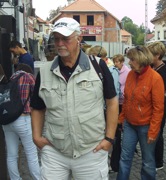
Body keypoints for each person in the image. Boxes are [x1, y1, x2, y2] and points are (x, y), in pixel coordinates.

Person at [30, 17, 118, 179]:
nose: (60, 43)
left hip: (91, 150)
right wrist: (36, 136)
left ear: (79, 38)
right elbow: (37, 107)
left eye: (65, 38)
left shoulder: (98, 66)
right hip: (55, 151)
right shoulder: (45, 71)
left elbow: (112, 102)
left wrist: (109, 138)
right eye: (56, 39)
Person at [117, 45, 165, 180]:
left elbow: (158, 108)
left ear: (141, 60)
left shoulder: (155, 78)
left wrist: (153, 131)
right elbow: (127, 99)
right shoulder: (131, 75)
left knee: (148, 161)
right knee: (124, 158)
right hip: (129, 124)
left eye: (132, 59)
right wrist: (121, 118)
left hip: (146, 126)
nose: (129, 63)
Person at [2, 63, 40, 180]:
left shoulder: (11, 80)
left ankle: (15, 178)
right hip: (23, 119)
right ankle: (38, 178)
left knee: (12, 155)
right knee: (31, 154)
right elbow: (37, 96)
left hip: (7, 121)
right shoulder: (28, 77)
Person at [147, 41, 166, 170]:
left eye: (150, 54)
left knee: (158, 132)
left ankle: (159, 162)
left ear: (157, 55)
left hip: (160, 103)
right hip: (153, 103)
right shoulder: (153, 67)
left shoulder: (163, 70)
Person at [110, 54, 130, 172]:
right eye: (114, 61)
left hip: (123, 101)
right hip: (117, 101)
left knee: (121, 124)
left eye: (117, 61)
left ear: (122, 62)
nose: (116, 63)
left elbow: (125, 86)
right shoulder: (114, 70)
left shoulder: (127, 71)